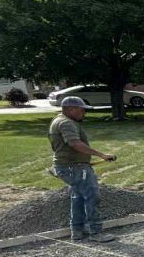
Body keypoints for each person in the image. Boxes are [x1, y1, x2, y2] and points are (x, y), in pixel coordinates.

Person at [48, 95, 118, 242]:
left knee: (78, 198)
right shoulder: (66, 123)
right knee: (92, 197)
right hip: (75, 168)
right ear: (71, 109)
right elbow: (75, 143)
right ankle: (96, 232)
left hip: (71, 166)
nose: (83, 113)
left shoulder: (58, 120)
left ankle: (78, 231)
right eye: (81, 110)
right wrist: (101, 155)